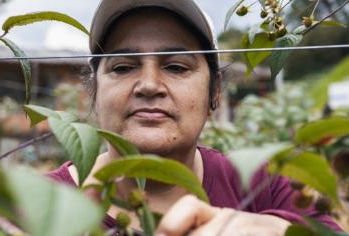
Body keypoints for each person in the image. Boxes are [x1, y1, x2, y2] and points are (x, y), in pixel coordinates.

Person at [48, 0, 342, 235]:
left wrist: (277, 230)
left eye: (176, 67)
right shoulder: (36, 207)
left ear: (214, 92)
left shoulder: (264, 186)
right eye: (123, 67)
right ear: (94, 91)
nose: (149, 85)